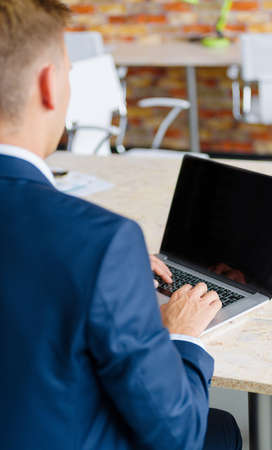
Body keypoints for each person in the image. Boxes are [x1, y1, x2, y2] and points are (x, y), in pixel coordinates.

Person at [0, 1, 242, 449]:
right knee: (218, 429)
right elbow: (179, 434)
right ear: (49, 85)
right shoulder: (102, 242)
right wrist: (181, 334)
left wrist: (112, 270)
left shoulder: (99, 249)